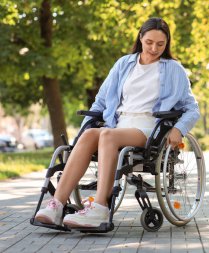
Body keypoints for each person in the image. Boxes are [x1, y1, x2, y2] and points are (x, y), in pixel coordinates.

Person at [35, 17, 200, 228]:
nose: (154, 48)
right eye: (149, 42)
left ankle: (100, 207)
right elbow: (101, 101)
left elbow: (192, 108)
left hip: (150, 127)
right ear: (140, 38)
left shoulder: (174, 69)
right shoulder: (124, 64)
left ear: (167, 43)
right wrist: (85, 128)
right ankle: (56, 205)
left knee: (107, 134)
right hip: (119, 124)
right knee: (89, 135)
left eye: (160, 44)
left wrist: (179, 128)